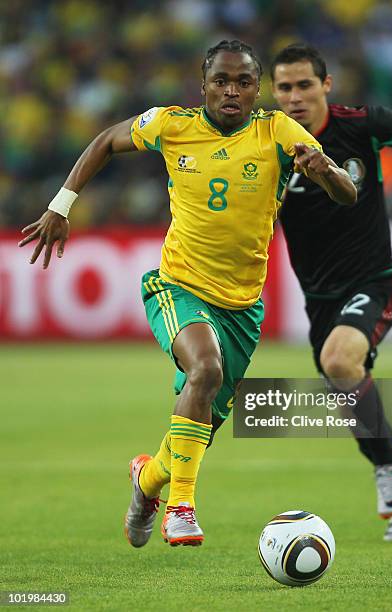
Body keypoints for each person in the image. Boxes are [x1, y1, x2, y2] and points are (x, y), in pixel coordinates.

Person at [18, 40, 356, 548]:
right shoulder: (172, 124)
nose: (231, 91)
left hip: (242, 305)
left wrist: (323, 170)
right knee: (205, 369)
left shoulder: (278, 130)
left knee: (199, 425)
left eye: (243, 82)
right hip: (177, 285)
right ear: (203, 86)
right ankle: (182, 508)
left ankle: (147, 482)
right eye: (221, 80)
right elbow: (108, 139)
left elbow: (347, 193)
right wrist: (62, 204)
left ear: (257, 89)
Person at [270, 43, 392, 541]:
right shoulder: (268, 143)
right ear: (273, 92)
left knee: (340, 364)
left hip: (375, 279)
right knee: (349, 392)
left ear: (326, 85)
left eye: (304, 85)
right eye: (284, 88)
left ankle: (388, 475)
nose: (294, 97)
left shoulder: (360, 124)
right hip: (317, 298)